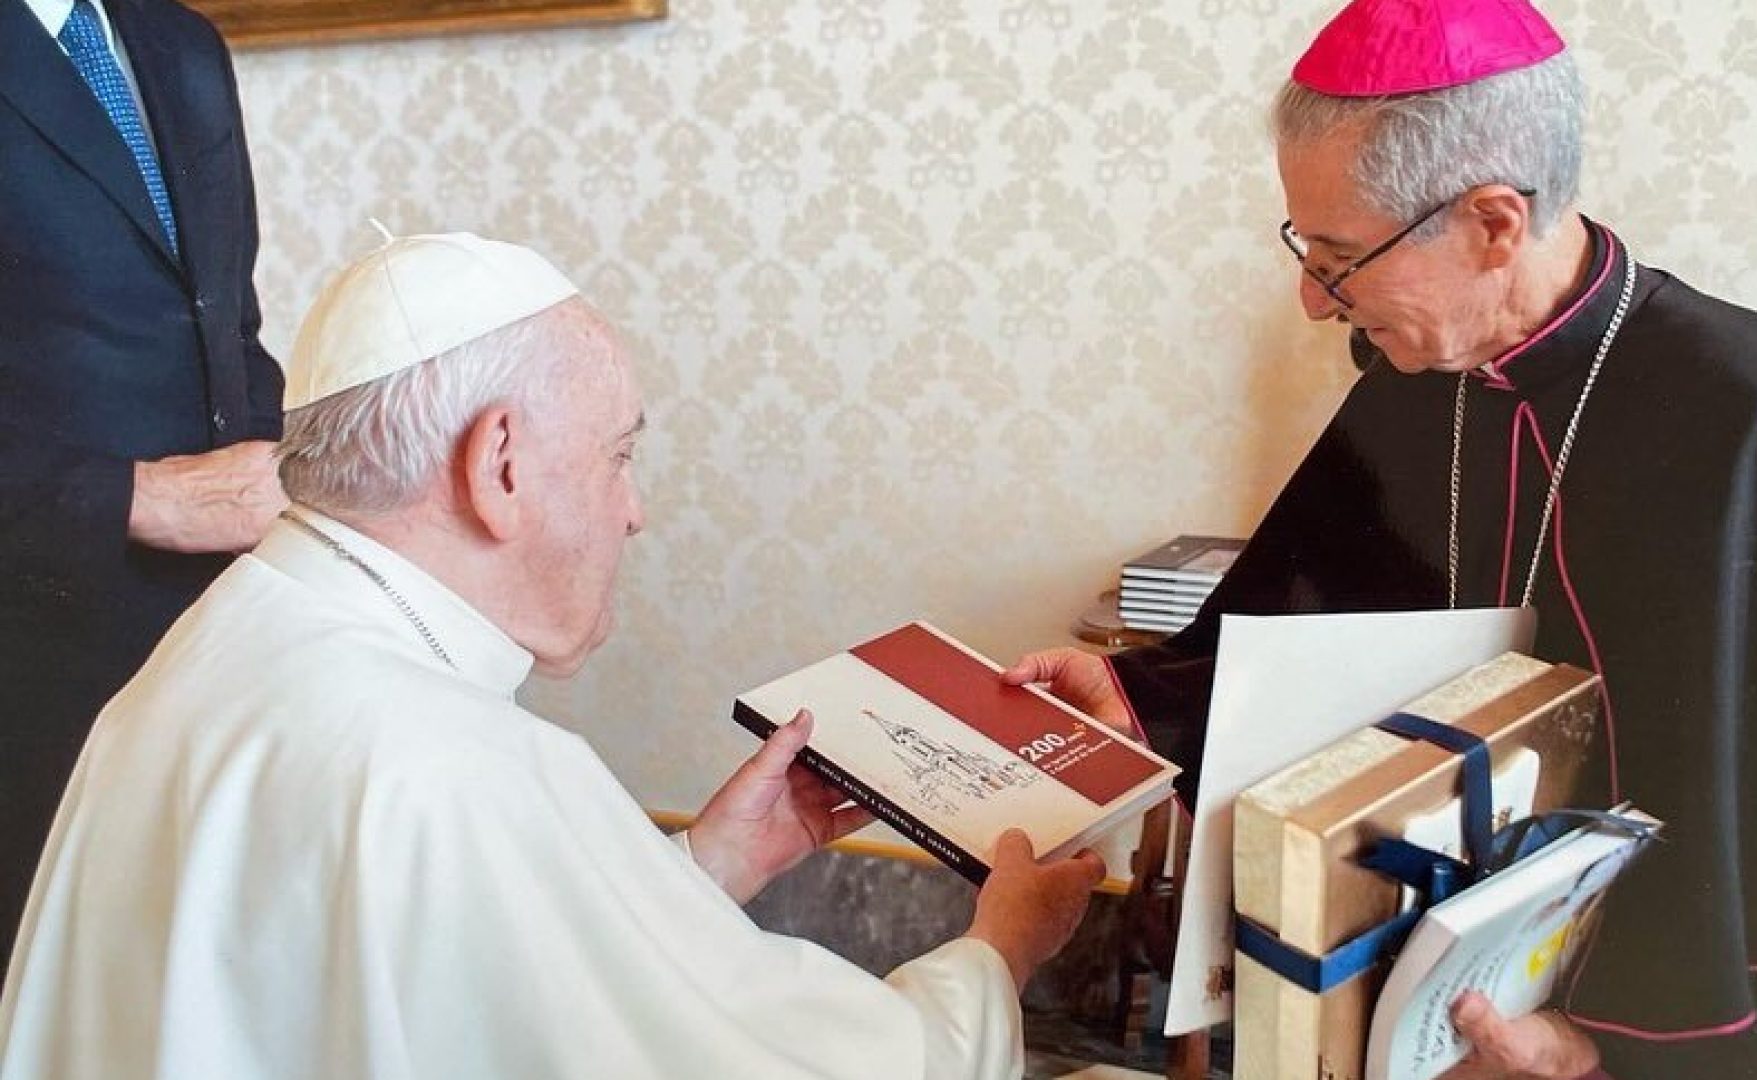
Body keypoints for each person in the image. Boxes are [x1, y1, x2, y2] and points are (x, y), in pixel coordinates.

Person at [1007, 0, 1757, 1077]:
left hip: (1686, 1028)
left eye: (1341, 257)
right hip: (1446, 983)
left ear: (1495, 223)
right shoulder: (1423, 378)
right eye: (1307, 248)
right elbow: (1312, 624)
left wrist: (1603, 1036)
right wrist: (1141, 696)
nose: (1312, 300)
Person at [0, 232, 1104, 1080]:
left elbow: (445, 982)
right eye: (619, 457)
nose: (635, 512)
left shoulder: (223, 640)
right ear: (502, 466)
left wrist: (707, 867)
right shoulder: (452, 764)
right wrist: (1000, 953)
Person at [0, 0, 287, 965]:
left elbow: (226, 328)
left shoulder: (183, 43)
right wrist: (140, 498)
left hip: (211, 640)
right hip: (29, 659)